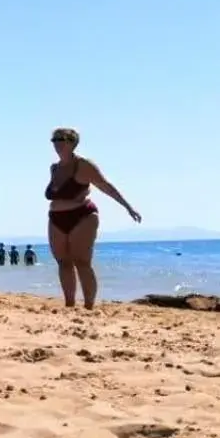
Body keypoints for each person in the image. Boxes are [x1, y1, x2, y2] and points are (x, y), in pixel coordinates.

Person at [45, 126, 142, 309]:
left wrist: (128, 207)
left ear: (72, 143)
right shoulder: (55, 168)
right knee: (63, 262)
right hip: (56, 218)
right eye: (54, 140)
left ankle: (89, 306)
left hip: (82, 216)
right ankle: (69, 305)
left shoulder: (84, 165)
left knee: (82, 262)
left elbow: (105, 186)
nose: (57, 144)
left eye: (61, 140)